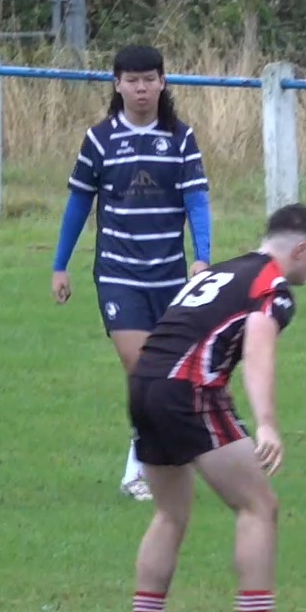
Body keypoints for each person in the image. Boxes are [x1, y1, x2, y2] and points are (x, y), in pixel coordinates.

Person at [125, 204, 306, 612]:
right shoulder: (271, 287)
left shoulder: (220, 272)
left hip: (144, 385)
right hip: (188, 390)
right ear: (300, 249)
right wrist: (267, 422)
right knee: (258, 505)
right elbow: (258, 349)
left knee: (170, 512)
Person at [51, 44, 214, 502]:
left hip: (170, 276)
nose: (141, 88)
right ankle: (138, 471)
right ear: (117, 84)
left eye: (149, 79)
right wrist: (60, 265)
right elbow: (79, 203)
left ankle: (145, 458)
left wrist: (202, 256)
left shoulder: (180, 138)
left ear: (163, 83)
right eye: (132, 80)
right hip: (118, 273)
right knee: (141, 368)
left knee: (163, 376)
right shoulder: (100, 139)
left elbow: (197, 201)